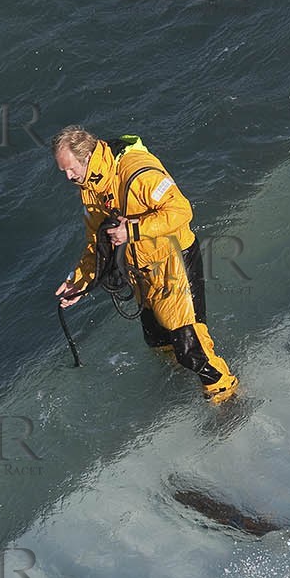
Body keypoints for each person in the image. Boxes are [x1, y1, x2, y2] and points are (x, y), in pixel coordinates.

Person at [53, 126, 238, 401]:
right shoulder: (89, 187)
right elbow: (96, 244)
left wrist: (134, 230)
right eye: (63, 171)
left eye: (69, 169)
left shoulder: (138, 172)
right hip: (141, 270)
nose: (67, 177)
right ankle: (179, 390)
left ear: (86, 156)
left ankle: (228, 399)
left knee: (190, 347)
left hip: (173, 261)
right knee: (158, 342)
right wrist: (79, 282)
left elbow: (181, 210)